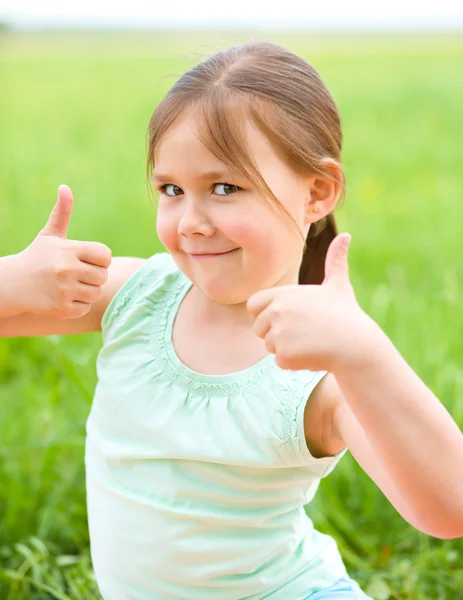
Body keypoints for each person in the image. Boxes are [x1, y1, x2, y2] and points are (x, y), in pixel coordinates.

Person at [1, 40, 462, 600]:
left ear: (317, 192)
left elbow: (448, 509)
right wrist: (15, 280)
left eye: (225, 188)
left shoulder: (319, 369)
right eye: (171, 190)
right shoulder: (138, 295)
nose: (190, 222)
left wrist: (363, 351)